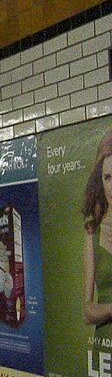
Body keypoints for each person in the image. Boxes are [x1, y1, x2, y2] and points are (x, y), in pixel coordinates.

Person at [82, 129, 112, 328]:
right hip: (104, 347)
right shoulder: (93, 232)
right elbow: (86, 312)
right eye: (108, 177)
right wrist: (110, 309)